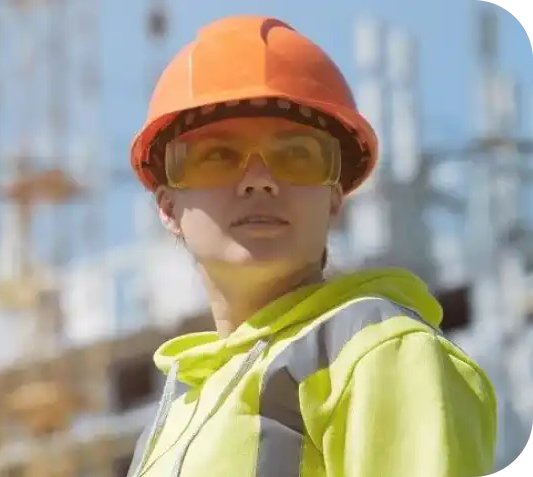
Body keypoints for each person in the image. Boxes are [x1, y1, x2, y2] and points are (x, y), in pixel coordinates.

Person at [124, 14, 497, 477]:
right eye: (217, 156)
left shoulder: (378, 349)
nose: (258, 180)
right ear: (166, 207)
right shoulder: (169, 422)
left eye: (295, 156)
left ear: (336, 197)